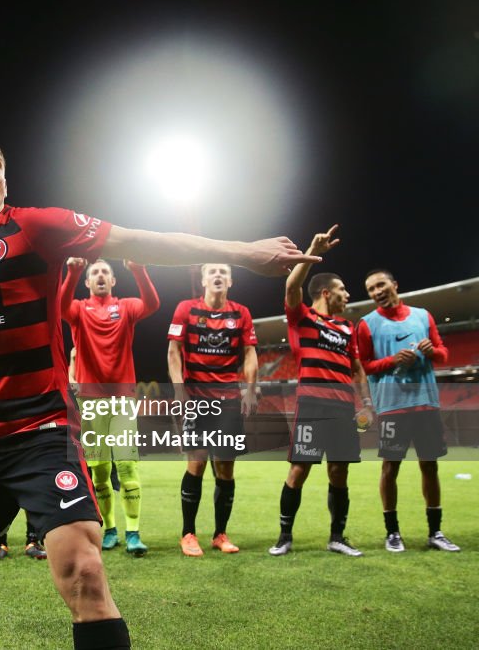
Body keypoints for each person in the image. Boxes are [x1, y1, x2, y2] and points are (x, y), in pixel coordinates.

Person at [0, 130, 315, 649]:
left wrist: (246, 253)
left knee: (84, 574)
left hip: (42, 429)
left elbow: (137, 241)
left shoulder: (36, 226)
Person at [267, 225, 373, 557]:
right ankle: (284, 536)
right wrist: (311, 252)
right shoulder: (303, 317)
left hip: (344, 408)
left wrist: (366, 402)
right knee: (299, 469)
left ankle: (337, 537)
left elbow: (356, 368)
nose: (348, 295)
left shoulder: (347, 327)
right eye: (343, 289)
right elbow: (291, 284)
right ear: (326, 292)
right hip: (312, 404)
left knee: (339, 471)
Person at [60, 256, 159, 556]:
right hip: (91, 404)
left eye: (105, 272)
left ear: (113, 281)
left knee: (126, 465)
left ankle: (133, 532)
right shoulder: (78, 309)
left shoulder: (126, 307)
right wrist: (73, 272)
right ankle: (110, 529)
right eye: (95, 273)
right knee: (100, 470)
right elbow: (61, 306)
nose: (100, 275)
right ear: (88, 282)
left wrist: (139, 268)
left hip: (122, 401)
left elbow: (152, 304)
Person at [357, 269, 460, 552]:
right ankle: (392, 533)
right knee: (390, 468)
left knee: (430, 465)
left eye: (380, 285)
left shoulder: (422, 316)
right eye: (371, 289)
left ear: (394, 284)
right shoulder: (366, 324)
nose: (377, 291)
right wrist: (391, 360)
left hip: (426, 402)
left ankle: (435, 532)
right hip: (391, 406)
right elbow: (363, 365)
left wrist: (431, 351)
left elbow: (443, 353)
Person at [167, 263, 258, 557]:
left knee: (226, 468)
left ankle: (220, 534)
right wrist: (180, 391)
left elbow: (250, 352)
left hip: (229, 399)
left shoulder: (241, 313)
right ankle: (188, 534)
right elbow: (173, 351)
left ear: (230, 280)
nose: (217, 275)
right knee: (197, 463)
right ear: (204, 279)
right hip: (197, 398)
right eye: (212, 271)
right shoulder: (185, 309)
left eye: (223, 272)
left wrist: (250, 388)